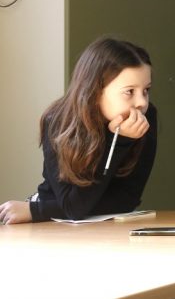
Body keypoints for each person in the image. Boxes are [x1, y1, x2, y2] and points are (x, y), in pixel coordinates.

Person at [0, 37, 156, 224]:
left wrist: (36, 211)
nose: (142, 102)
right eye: (129, 91)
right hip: (51, 220)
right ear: (96, 92)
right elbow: (73, 206)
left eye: (146, 90)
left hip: (70, 215)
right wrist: (119, 142)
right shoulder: (58, 120)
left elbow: (126, 200)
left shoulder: (145, 118)